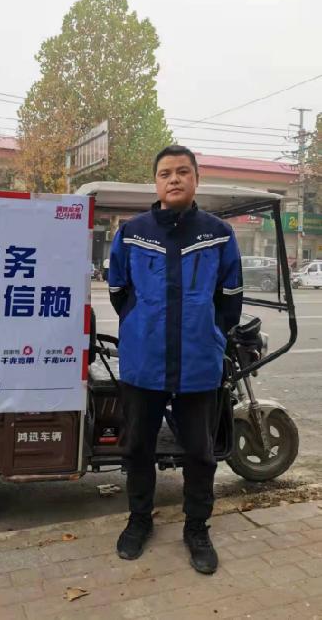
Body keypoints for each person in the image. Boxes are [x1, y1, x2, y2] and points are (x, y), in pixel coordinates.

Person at [108, 145, 243, 575]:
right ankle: (139, 520)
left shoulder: (219, 234)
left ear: (196, 179)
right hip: (143, 362)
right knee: (137, 448)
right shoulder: (133, 233)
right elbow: (118, 291)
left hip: (198, 364)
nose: (174, 179)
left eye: (183, 171)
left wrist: (211, 332)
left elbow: (231, 298)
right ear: (156, 182)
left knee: (200, 452)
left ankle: (197, 528)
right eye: (165, 173)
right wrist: (139, 322)